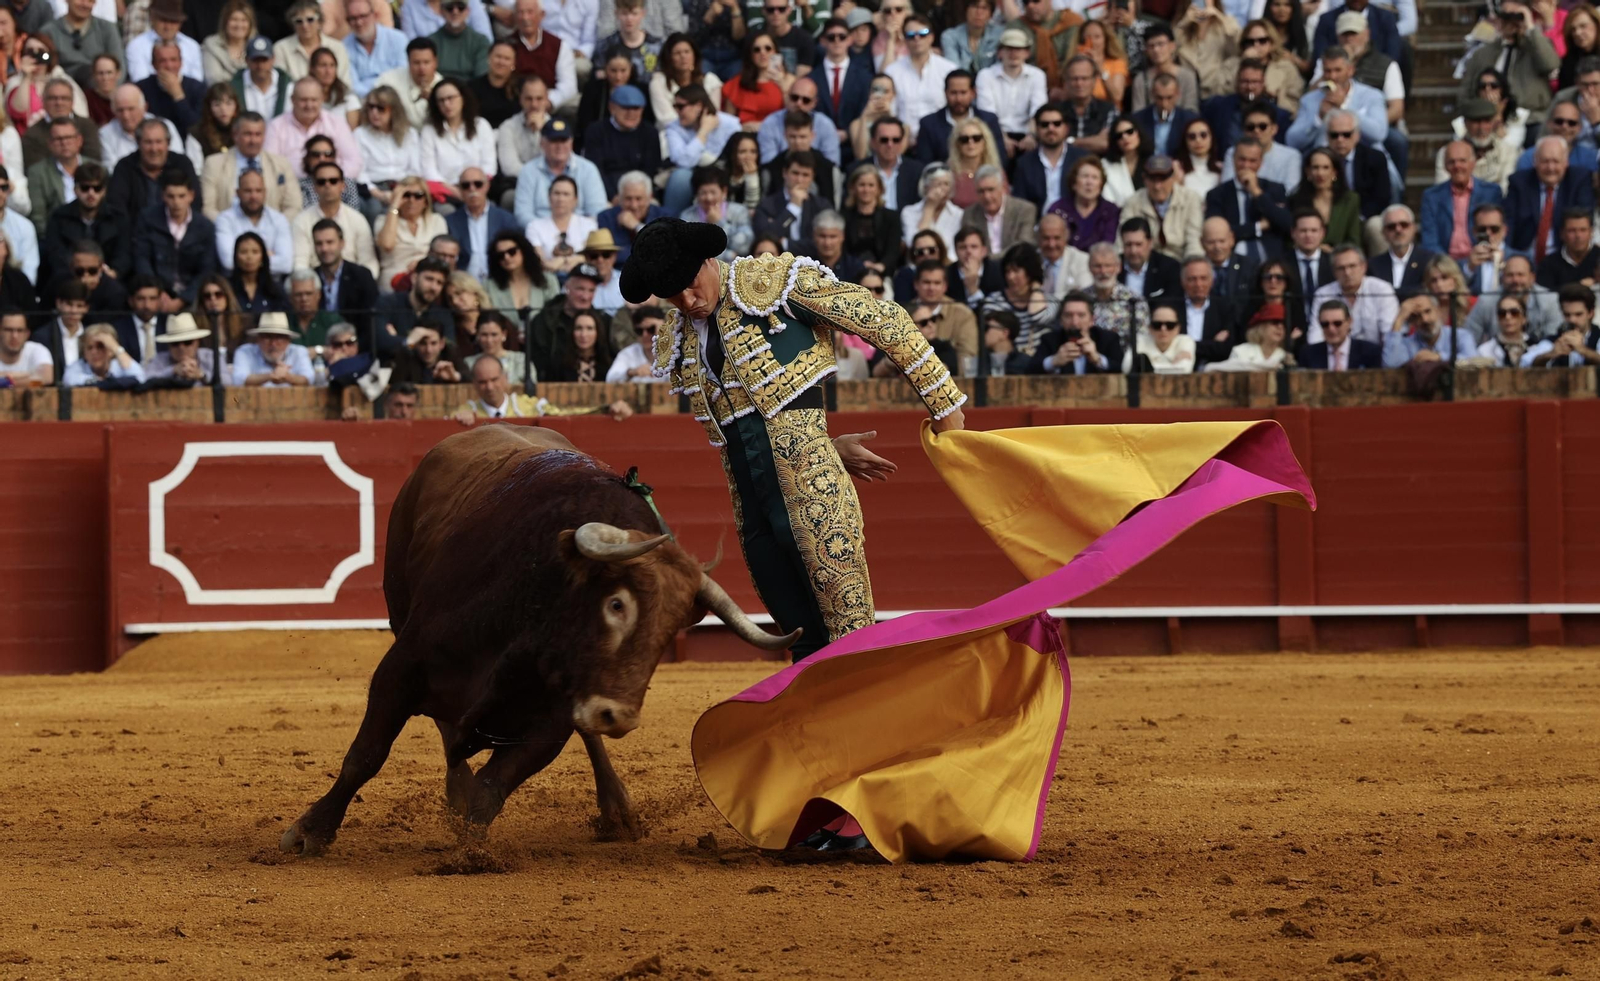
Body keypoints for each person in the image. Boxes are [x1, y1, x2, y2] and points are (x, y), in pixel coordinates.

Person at [619, 216, 965, 665]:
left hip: (812, 498)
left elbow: (885, 321)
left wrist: (945, 407)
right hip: (753, 511)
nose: (687, 300)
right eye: (672, 295)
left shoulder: (774, 283)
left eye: (690, 284)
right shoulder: (679, 335)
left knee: (850, 633)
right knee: (800, 640)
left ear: (709, 259)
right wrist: (828, 444)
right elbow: (752, 428)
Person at [1457, 0, 1558, 120]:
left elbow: (1550, 64)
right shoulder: (1482, 54)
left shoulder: (1535, 49)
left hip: (1530, 118)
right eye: (1506, 16)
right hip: (1488, 119)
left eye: (1517, 16)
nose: (1511, 21)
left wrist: (1529, 27)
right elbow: (1465, 94)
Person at [1506, 136, 1596, 262]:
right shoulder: (1519, 182)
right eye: (1545, 161)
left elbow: (1583, 219)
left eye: (1556, 161)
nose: (1550, 168)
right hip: (1525, 257)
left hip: (1564, 257)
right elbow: (1508, 224)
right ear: (1535, 161)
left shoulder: (1579, 180)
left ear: (1566, 162)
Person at [1284, 46, 1387, 155]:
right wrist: (1318, 119)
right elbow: (1292, 141)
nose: (1332, 76)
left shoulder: (1371, 95)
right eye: (1328, 71)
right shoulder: (1309, 100)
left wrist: (1345, 107)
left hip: (1364, 161)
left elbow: (1379, 134)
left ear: (1350, 70)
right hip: (1323, 163)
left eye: (1338, 70)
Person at [1420, 141, 1507, 266]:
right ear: (1445, 166)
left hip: (1482, 260)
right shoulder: (1431, 196)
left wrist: (1478, 257)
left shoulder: (1491, 192)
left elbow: (1496, 232)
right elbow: (1430, 241)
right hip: (1445, 265)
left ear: (1473, 163)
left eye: (1462, 161)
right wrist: (1448, 265)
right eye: (1452, 162)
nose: (1457, 166)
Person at [292, 162, 378, 276]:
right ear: (315, 188)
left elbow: (368, 261)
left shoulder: (357, 219)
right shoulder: (301, 221)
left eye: (333, 181)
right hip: (315, 283)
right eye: (321, 182)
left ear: (343, 185)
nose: (327, 185)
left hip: (353, 282)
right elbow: (300, 263)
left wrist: (363, 283)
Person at [975, 28, 1046, 160]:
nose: (1014, 54)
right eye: (1009, 49)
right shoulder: (986, 75)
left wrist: (1031, 135)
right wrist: (1001, 138)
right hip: (995, 133)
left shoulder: (1037, 75)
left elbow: (1038, 109)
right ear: (1000, 52)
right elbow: (987, 112)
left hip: (1028, 134)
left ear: (1027, 53)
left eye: (1018, 49)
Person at [1118, 155, 1203, 263]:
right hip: (1145, 264)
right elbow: (1122, 241)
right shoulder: (1133, 202)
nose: (1157, 186)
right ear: (1144, 179)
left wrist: (1191, 266)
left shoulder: (1191, 198)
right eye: (1152, 179)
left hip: (1180, 261)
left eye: (1163, 179)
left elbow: (1194, 240)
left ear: (1173, 178)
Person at [1309, 244, 1397, 346]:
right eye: (1341, 268)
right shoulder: (1323, 294)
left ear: (1363, 267)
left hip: (1374, 357)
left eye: (1352, 266)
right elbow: (1315, 336)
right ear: (1334, 272)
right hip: (1335, 356)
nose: (1347, 273)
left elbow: (1389, 334)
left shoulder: (1382, 290)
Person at [214, 168, 293, 278]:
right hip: (236, 287)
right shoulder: (225, 219)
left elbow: (286, 264)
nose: (253, 196)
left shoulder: (279, 219)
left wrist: (244, 258)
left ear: (265, 192)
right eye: (248, 191)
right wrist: (266, 254)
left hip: (272, 287)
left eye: (258, 190)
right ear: (238, 193)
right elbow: (228, 262)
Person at [375, 175, 448, 289]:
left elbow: (442, 253)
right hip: (393, 280)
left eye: (418, 195)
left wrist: (421, 264)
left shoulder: (437, 220)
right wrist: (394, 206)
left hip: (427, 278)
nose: (411, 200)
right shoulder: (383, 220)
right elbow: (387, 245)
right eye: (406, 195)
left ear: (425, 201)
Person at [1028, 289, 1123, 374]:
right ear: (1061, 319)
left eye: (1081, 315)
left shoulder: (1107, 339)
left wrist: (1097, 359)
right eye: (1068, 315)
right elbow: (1031, 369)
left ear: (1091, 320)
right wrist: (1054, 361)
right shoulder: (1049, 339)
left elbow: (1122, 369)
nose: (1074, 322)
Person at [39, 0, 123, 91]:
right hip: (60, 91)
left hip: (99, 92)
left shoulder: (107, 29)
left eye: (90, 1)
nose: (85, 4)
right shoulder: (49, 32)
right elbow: (43, 70)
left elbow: (120, 66)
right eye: (80, 0)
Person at [275, 0, 355, 88]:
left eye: (310, 20)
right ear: (292, 24)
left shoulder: (337, 47)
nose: (305, 25)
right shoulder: (281, 48)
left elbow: (344, 82)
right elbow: (281, 85)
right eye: (299, 21)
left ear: (320, 22)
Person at [1381, 294, 1475, 368]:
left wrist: (1439, 357)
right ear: (1412, 322)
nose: (1424, 319)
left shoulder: (1460, 335)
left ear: (1438, 311)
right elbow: (1390, 366)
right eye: (1417, 316)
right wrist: (1399, 320)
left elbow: (1475, 361)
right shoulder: (1407, 344)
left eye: (1428, 311)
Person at [1048, 155, 1119, 252]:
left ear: (1101, 185)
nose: (1089, 182)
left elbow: (1109, 243)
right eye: (1085, 176)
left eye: (1094, 177)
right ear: (1074, 183)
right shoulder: (1058, 209)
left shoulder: (1111, 211)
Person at [963, 164, 1037, 255]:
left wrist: (992, 260)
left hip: (1014, 264)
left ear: (1002, 188)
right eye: (981, 191)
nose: (986, 196)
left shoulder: (1024, 210)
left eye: (991, 190)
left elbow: (1023, 245)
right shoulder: (970, 214)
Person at [374, 38, 445, 131]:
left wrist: (433, 101)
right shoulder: (388, 79)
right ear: (408, 62)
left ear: (435, 62)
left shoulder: (444, 88)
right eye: (416, 63)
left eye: (426, 62)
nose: (421, 68)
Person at [342, 0, 408, 98]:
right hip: (362, 101)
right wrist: (374, 97)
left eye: (363, 16)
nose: (359, 22)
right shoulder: (344, 46)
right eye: (353, 18)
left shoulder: (398, 39)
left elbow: (403, 75)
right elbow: (352, 84)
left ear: (375, 15)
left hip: (396, 98)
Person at [1366, 204, 1435, 299]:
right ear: (1383, 233)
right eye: (1391, 227)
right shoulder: (1373, 266)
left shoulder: (1430, 261)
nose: (1398, 230)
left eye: (1404, 225)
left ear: (1414, 228)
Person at [1525, 282, 1600, 366]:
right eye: (1567, 315)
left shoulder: (1598, 338)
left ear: (1591, 313)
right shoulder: (1553, 340)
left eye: (1578, 314)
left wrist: (1582, 350)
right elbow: (1525, 362)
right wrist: (1551, 353)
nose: (1572, 320)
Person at [723, 31, 789, 125]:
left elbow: (793, 115)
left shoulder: (789, 80)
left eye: (768, 48)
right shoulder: (737, 83)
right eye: (756, 50)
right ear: (750, 54)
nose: (763, 53)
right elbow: (728, 123)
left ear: (775, 52)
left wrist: (783, 85)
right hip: (744, 135)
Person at [231, 310, 314, 385]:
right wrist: (271, 375)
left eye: (279, 337)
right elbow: (239, 379)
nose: (273, 344)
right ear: (258, 339)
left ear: (288, 340)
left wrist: (288, 377)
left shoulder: (299, 351)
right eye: (268, 337)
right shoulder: (245, 351)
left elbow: (308, 378)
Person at [1130, 72, 1199, 160]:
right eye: (1160, 98)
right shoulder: (1138, 120)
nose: (1164, 104)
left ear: (1178, 94)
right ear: (1152, 94)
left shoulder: (1190, 121)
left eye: (1169, 98)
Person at [1297, 299, 1382, 371]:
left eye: (1337, 323)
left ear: (1349, 322)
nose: (1331, 329)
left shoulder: (1370, 352)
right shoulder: (1309, 353)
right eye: (1325, 324)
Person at [1132, 25, 1200, 113]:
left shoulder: (1187, 76)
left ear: (1172, 46)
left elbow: (1191, 110)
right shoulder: (1140, 80)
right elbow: (1137, 113)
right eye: (1151, 46)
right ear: (1146, 51)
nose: (1156, 50)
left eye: (1161, 44)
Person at [900, 162, 961, 255]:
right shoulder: (909, 212)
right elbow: (912, 243)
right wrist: (929, 208)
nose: (943, 189)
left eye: (946, 184)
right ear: (925, 187)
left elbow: (955, 250)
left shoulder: (958, 214)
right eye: (938, 184)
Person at [62, 322, 147, 386]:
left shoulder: (120, 366)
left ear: (110, 351)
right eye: (89, 348)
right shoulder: (77, 367)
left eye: (100, 347)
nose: (94, 352)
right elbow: (69, 380)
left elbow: (141, 378)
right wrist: (103, 382)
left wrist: (116, 348)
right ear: (84, 353)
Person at [1123, 301, 1196, 374]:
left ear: (1178, 328)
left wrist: (1148, 366)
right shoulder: (1140, 340)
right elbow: (1126, 367)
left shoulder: (1186, 341)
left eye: (1170, 325)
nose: (1163, 329)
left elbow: (1185, 369)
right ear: (1150, 328)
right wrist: (1172, 365)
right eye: (1157, 325)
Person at [233, 35, 292, 121]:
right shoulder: (235, 87)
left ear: (273, 59)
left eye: (264, 60)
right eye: (255, 60)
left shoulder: (288, 86)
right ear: (246, 60)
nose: (260, 66)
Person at [603, 303, 662, 382]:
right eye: (639, 331)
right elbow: (610, 379)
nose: (645, 335)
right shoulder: (628, 353)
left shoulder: (674, 351)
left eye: (651, 329)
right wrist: (631, 372)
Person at [0, 308, 54, 386]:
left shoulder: (37, 350)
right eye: (9, 330)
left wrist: (8, 382)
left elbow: (47, 377)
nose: (14, 336)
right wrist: (28, 375)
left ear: (27, 334)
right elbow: (39, 379)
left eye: (20, 330)